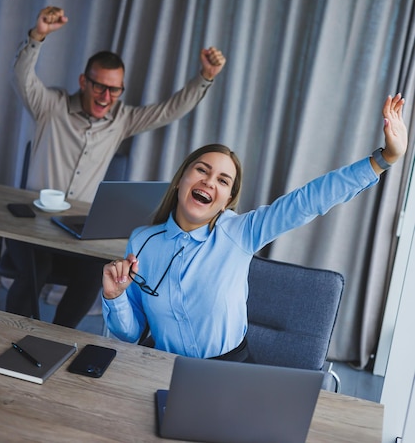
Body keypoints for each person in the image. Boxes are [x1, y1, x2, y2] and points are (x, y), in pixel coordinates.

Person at [102, 93, 407, 361]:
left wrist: (384, 159)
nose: (209, 181)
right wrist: (114, 297)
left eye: (223, 180)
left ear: (226, 200)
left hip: (227, 371)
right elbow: (130, 334)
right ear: (181, 179)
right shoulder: (142, 241)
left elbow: (307, 201)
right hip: (160, 367)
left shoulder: (240, 232)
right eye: (201, 170)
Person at [4, 5, 226, 328]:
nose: (107, 96)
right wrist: (37, 36)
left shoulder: (122, 119)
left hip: (76, 229)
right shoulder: (51, 105)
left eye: (115, 89)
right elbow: (21, 77)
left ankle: (59, 336)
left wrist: (205, 77)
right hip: (32, 223)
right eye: (99, 86)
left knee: (92, 273)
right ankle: (12, 335)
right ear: (84, 81)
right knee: (32, 271)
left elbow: (170, 111)